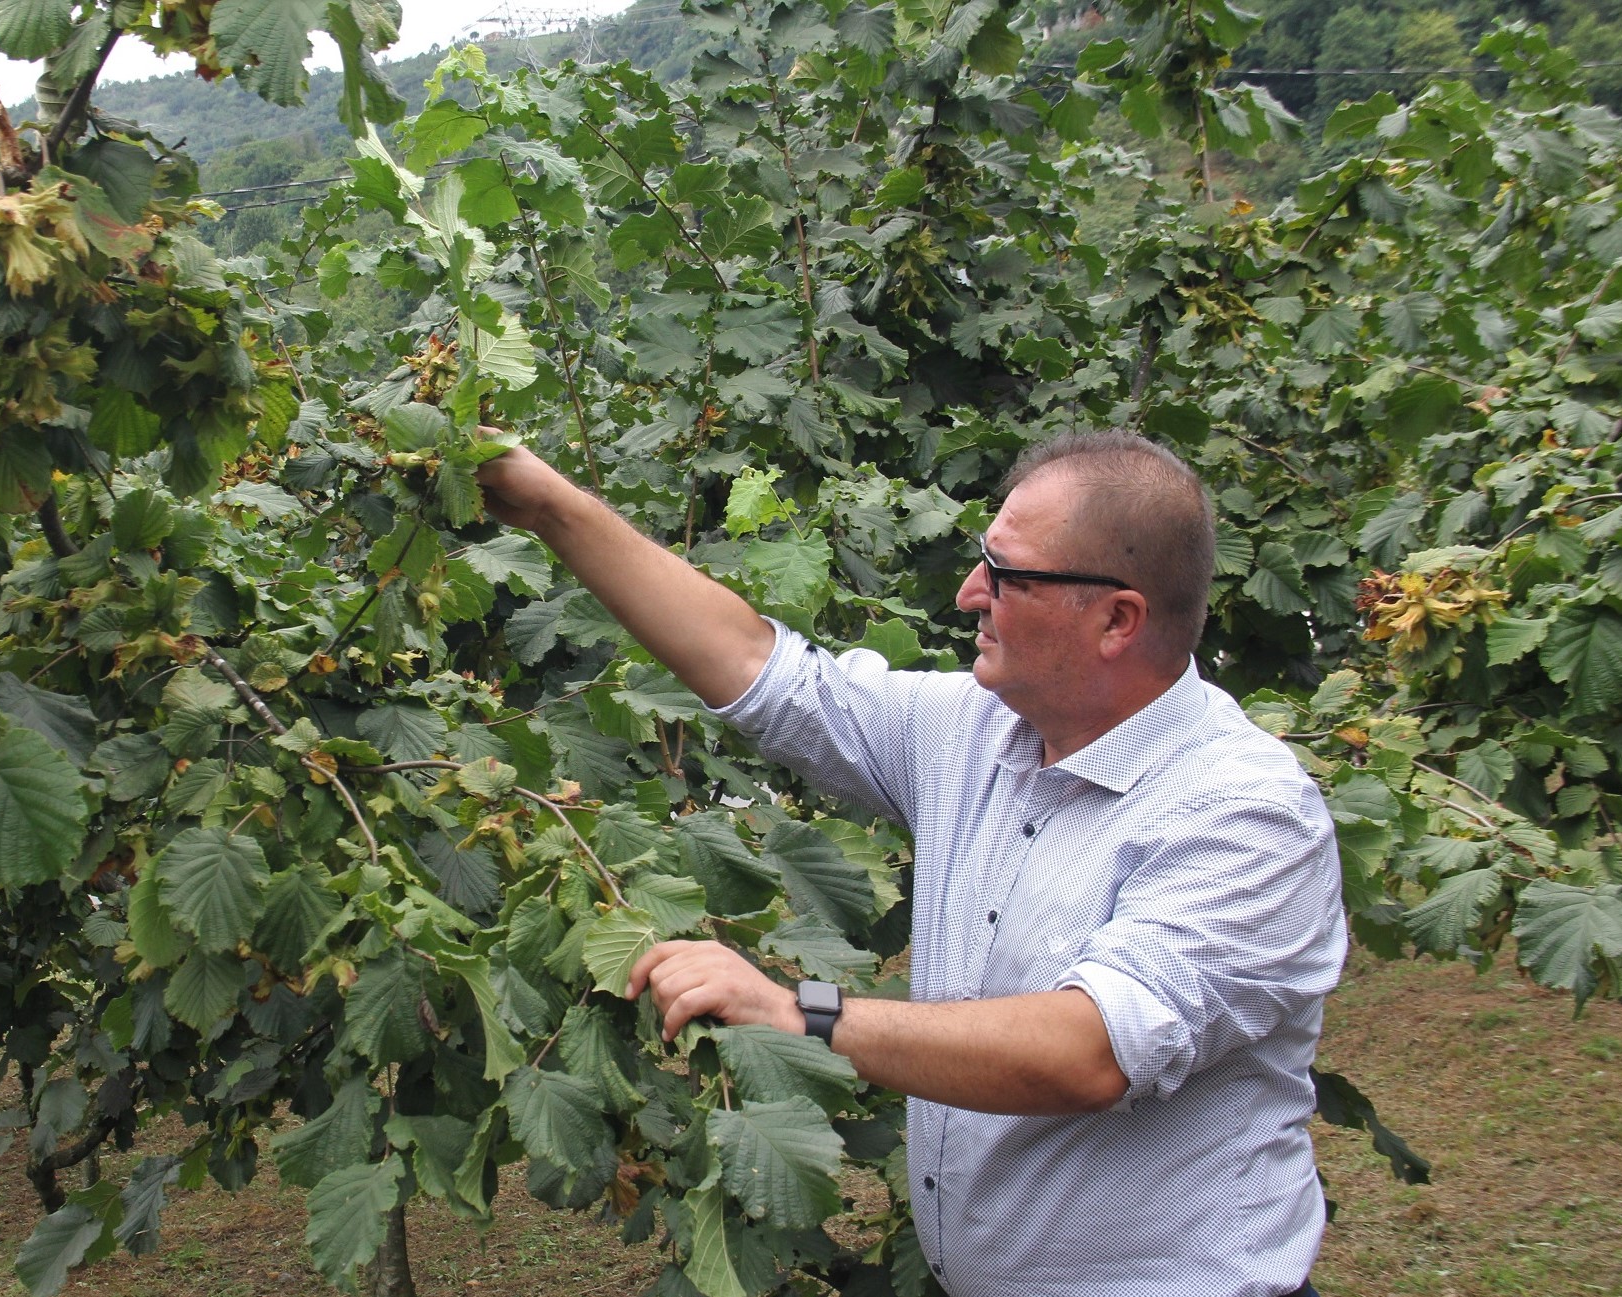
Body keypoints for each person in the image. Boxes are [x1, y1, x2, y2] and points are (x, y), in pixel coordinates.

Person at [475, 430, 1345, 1297]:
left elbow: (1087, 1052)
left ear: (1116, 618)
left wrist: (796, 1008)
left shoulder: (1243, 811)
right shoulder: (977, 730)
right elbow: (759, 668)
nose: (972, 592)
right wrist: (549, 502)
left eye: (1007, 575)